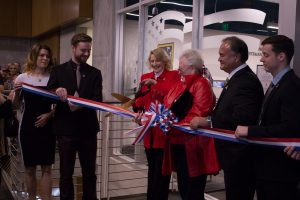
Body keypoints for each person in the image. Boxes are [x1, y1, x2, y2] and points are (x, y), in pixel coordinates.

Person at [190, 36, 264, 200]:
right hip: (232, 156)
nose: (218, 59)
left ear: (236, 57)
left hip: (240, 157)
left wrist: (208, 121)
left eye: (222, 55)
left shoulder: (246, 81)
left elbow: (243, 118)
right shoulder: (237, 78)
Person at [235, 35, 300, 200]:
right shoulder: (277, 83)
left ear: (281, 56)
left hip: (280, 171)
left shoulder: (291, 85)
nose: (262, 59)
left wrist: (250, 130)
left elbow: (288, 127)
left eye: (265, 54)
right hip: (268, 168)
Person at [47, 33, 103, 200]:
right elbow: (48, 93)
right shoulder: (57, 71)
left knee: (89, 174)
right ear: (73, 48)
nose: (86, 54)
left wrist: (81, 104)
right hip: (65, 131)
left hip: (88, 132)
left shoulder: (95, 73)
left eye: (89, 50)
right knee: (65, 174)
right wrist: (56, 91)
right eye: (83, 50)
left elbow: (97, 99)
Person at [163, 49, 220, 200]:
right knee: (184, 187)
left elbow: (199, 112)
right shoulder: (181, 83)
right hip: (179, 142)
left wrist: (172, 123)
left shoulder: (201, 83)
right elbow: (167, 105)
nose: (178, 68)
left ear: (192, 67)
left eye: (181, 65)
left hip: (192, 145)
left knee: (192, 190)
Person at [133, 48, 179, 200]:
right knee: (152, 171)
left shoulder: (173, 76)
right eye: (152, 61)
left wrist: (155, 84)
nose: (154, 64)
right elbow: (140, 99)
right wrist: (138, 110)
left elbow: (172, 97)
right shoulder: (145, 76)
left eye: (157, 60)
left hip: (164, 132)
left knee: (162, 173)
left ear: (164, 61)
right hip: (149, 133)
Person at [13, 43, 56, 200]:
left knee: (46, 168)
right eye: (41, 55)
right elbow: (16, 106)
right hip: (27, 128)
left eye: (47, 56)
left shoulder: (53, 78)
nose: (44, 58)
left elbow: (59, 106)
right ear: (34, 56)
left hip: (48, 128)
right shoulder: (22, 78)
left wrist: (49, 115)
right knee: (29, 168)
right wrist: (16, 94)